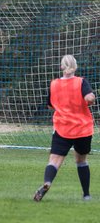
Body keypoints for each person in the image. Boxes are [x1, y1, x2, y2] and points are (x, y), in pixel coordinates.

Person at [33, 55, 95, 201]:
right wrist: (89, 98)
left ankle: (47, 182)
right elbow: (90, 98)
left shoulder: (54, 84)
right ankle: (86, 195)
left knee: (54, 161)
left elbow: (50, 105)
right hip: (82, 129)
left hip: (62, 128)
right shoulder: (81, 82)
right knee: (81, 161)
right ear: (76, 67)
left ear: (61, 67)